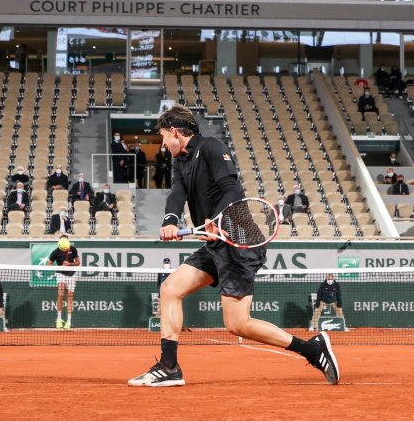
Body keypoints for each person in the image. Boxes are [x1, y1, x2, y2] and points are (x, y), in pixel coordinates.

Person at [127, 104, 338, 388]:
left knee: (238, 324)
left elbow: (232, 190)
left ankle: (313, 350)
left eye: (164, 136)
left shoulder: (211, 147)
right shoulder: (182, 161)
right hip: (215, 244)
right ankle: (169, 367)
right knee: (170, 289)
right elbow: (177, 192)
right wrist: (170, 220)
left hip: (239, 242)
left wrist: (216, 220)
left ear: (175, 132)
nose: (163, 143)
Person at [48, 235, 80, 330]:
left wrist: (70, 264)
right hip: (60, 274)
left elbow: (78, 262)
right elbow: (49, 264)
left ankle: (68, 322)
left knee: (70, 296)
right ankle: (59, 319)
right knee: (60, 294)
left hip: (71, 274)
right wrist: (59, 267)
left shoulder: (73, 249)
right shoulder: (55, 252)